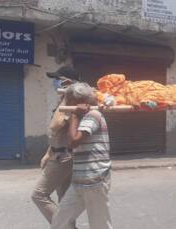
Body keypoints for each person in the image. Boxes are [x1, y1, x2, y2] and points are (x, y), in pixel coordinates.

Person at [51, 82, 113, 229]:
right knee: (59, 221)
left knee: (100, 225)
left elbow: (73, 141)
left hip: (95, 180)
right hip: (79, 181)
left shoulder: (93, 115)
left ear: (77, 102)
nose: (66, 104)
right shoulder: (83, 117)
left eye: (69, 100)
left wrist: (74, 116)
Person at [31, 66, 79, 227]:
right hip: (59, 154)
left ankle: (64, 226)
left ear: (68, 83)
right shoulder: (64, 102)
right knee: (64, 200)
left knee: (38, 195)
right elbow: (57, 135)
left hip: (63, 158)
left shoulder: (71, 103)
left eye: (58, 79)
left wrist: (65, 98)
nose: (55, 83)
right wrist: (47, 153)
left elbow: (55, 126)